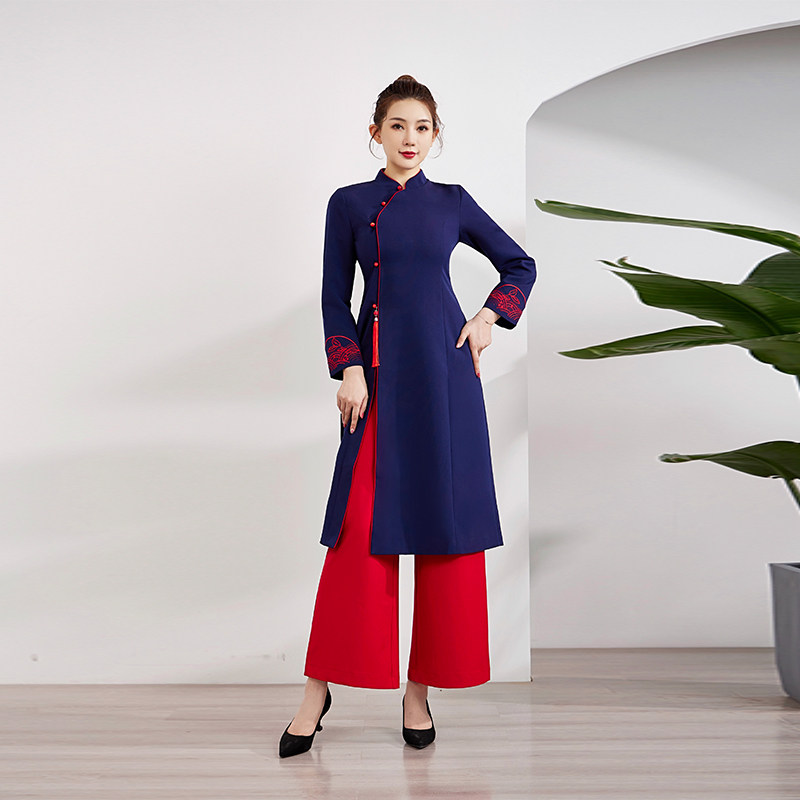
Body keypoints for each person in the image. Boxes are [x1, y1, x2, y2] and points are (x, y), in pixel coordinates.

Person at [279, 74, 536, 758]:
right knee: (357, 534)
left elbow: (519, 264)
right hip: (377, 379)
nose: (410, 138)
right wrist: (349, 368)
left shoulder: (452, 202)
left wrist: (489, 317)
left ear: (435, 135)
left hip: (445, 379)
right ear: (376, 133)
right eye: (397, 126)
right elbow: (334, 297)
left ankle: (418, 693)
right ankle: (316, 691)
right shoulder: (349, 203)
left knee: (443, 535)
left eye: (422, 127)